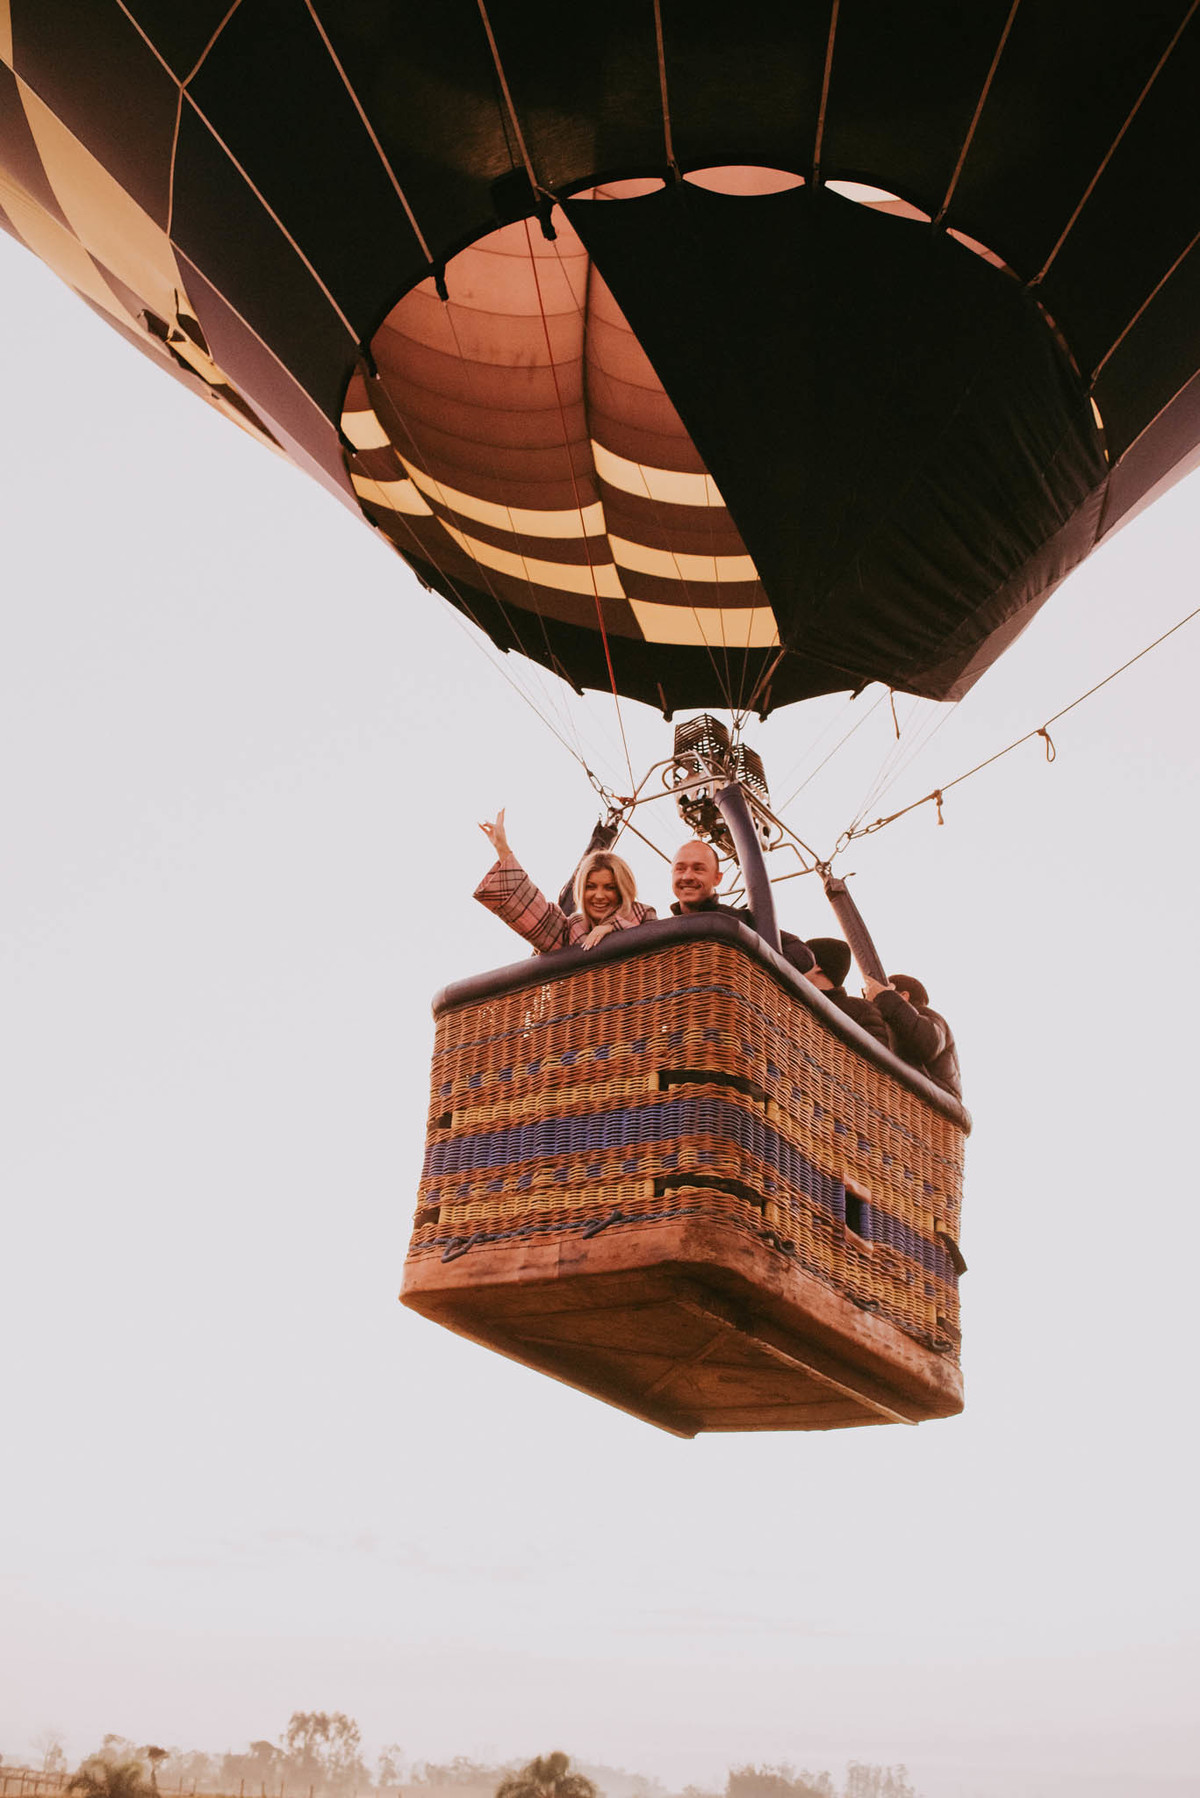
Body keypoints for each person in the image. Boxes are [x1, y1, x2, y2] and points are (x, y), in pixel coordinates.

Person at [476, 809, 655, 953]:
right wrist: (502, 848)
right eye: (590, 887)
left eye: (609, 888)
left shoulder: (643, 914)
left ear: (623, 890)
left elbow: (658, 952)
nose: (599, 895)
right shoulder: (572, 928)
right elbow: (535, 912)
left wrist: (614, 929)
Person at [669, 839, 815, 975]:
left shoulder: (739, 921)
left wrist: (755, 972)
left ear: (717, 878)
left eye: (698, 869)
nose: (687, 876)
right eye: (680, 869)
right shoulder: (663, 930)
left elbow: (803, 953)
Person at [862, 973, 962, 1097]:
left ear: (904, 996)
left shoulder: (928, 1015)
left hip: (929, 1105)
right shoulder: (897, 1022)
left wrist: (885, 997)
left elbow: (927, 1043)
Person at [804, 938, 893, 1048]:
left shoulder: (860, 1009)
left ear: (817, 966)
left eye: (803, 958)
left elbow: (877, 1054)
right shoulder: (791, 998)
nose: (795, 963)